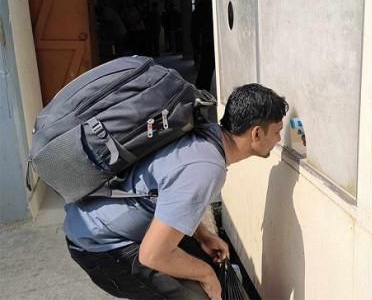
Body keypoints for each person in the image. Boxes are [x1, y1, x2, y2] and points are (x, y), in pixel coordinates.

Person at [64, 83, 288, 299]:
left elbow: (170, 195)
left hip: (103, 222)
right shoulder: (206, 169)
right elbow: (152, 255)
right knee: (203, 290)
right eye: (277, 132)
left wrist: (203, 234)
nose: (278, 139)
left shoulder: (207, 135)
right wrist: (207, 276)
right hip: (100, 247)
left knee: (205, 267)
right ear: (256, 134)